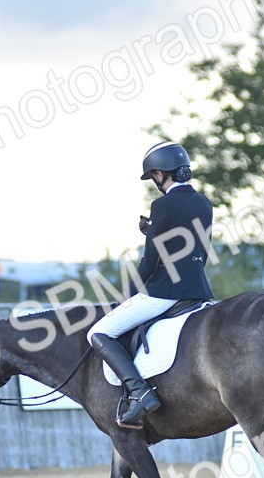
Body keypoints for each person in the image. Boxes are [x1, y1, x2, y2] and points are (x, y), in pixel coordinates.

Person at [87, 141, 214, 429]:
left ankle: (140, 392)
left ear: (160, 173)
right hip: (199, 290)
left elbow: (152, 262)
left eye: (154, 176)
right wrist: (152, 230)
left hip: (165, 292)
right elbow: (196, 249)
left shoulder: (162, 205)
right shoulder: (204, 203)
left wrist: (127, 294)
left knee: (98, 332)